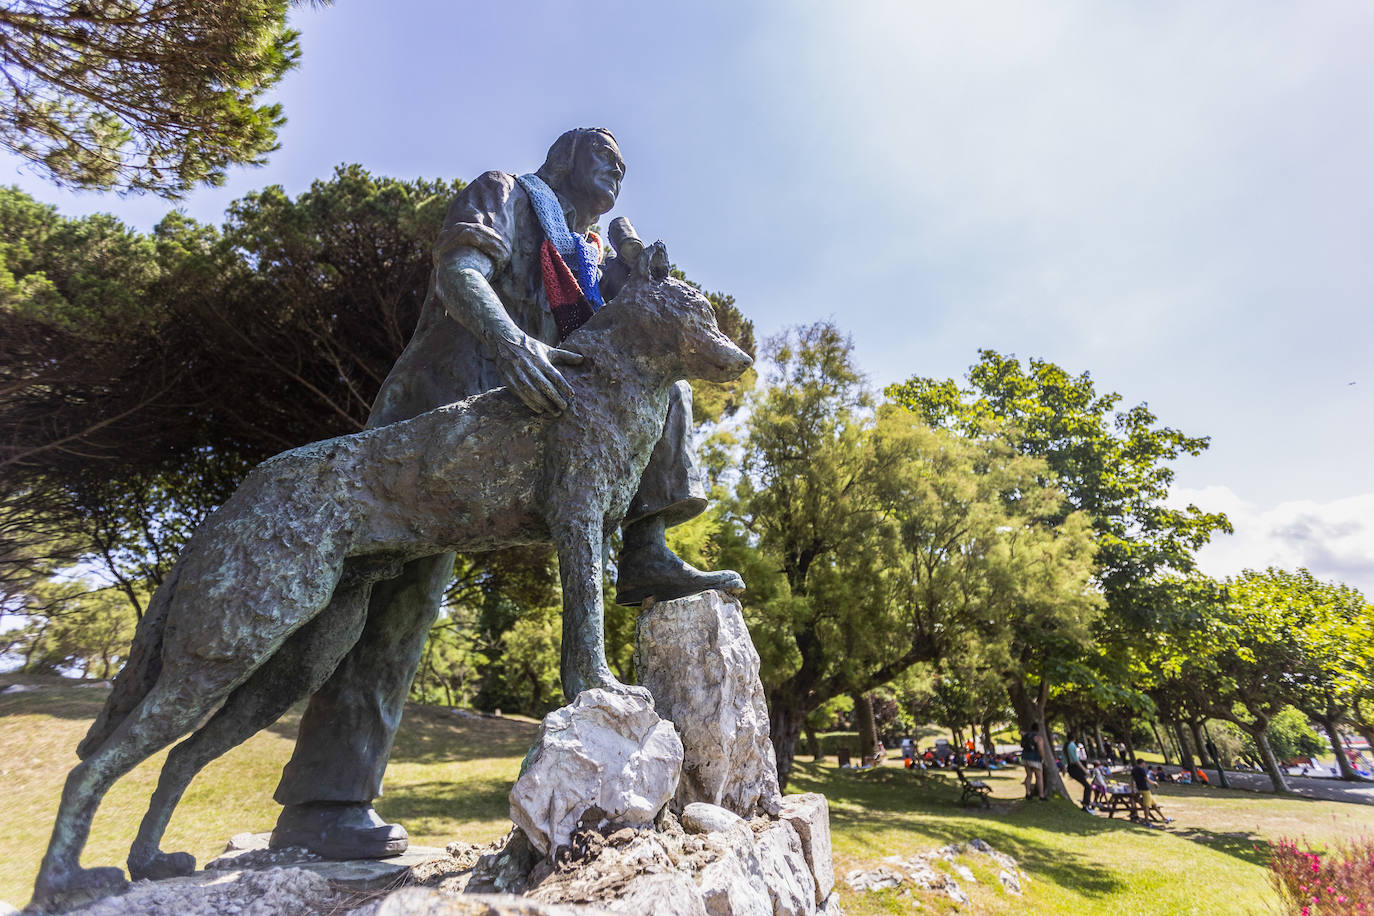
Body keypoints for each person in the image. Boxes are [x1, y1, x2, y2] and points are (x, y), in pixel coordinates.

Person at [268, 129, 745, 858]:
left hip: (525, 436)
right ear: (562, 160)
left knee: (666, 372)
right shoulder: (507, 192)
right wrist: (510, 342)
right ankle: (323, 803)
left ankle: (644, 546)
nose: (617, 170)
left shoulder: (591, 257)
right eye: (603, 157)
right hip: (441, 421)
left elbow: (631, 339)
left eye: (624, 166)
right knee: (393, 603)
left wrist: (639, 277)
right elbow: (460, 273)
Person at [1130, 757, 1172, 825]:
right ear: (1142, 763)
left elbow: (1132, 780)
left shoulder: (1133, 769)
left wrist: (1132, 790)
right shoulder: (1141, 769)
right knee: (1146, 806)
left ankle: (1164, 818)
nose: (1144, 765)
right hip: (1145, 789)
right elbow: (1147, 779)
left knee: (1154, 805)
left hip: (1139, 788)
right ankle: (1147, 821)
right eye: (1144, 763)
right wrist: (1154, 783)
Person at [1064, 732, 1094, 811]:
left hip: (1071, 768)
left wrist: (1064, 768)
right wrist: (1085, 770)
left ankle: (1085, 804)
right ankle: (1086, 805)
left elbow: (1064, 759)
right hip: (1074, 768)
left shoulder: (1066, 745)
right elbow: (1076, 760)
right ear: (1074, 738)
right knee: (1087, 786)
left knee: (1087, 786)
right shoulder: (1072, 745)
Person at [1021, 724, 1046, 800]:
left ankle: (1027, 793)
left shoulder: (1026, 735)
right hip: (1035, 758)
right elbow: (1041, 749)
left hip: (1025, 757)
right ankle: (1041, 795)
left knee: (1028, 776)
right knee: (1039, 777)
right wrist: (1044, 759)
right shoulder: (1038, 738)